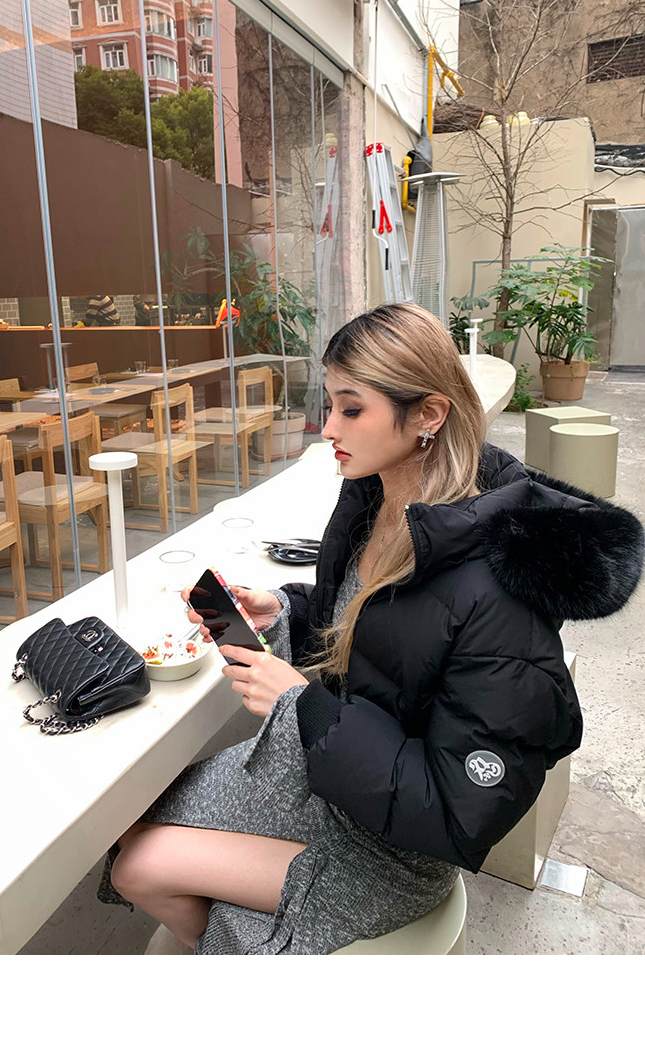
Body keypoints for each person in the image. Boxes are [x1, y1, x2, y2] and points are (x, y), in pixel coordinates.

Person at [101, 303, 644, 955]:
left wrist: (300, 706)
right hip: (328, 771)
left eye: (351, 409)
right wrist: (286, 611)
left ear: (429, 414)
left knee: (140, 866)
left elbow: (456, 812)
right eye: (329, 404)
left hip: (393, 845)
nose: (328, 427)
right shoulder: (376, 497)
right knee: (123, 828)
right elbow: (381, 636)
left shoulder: (498, 592)